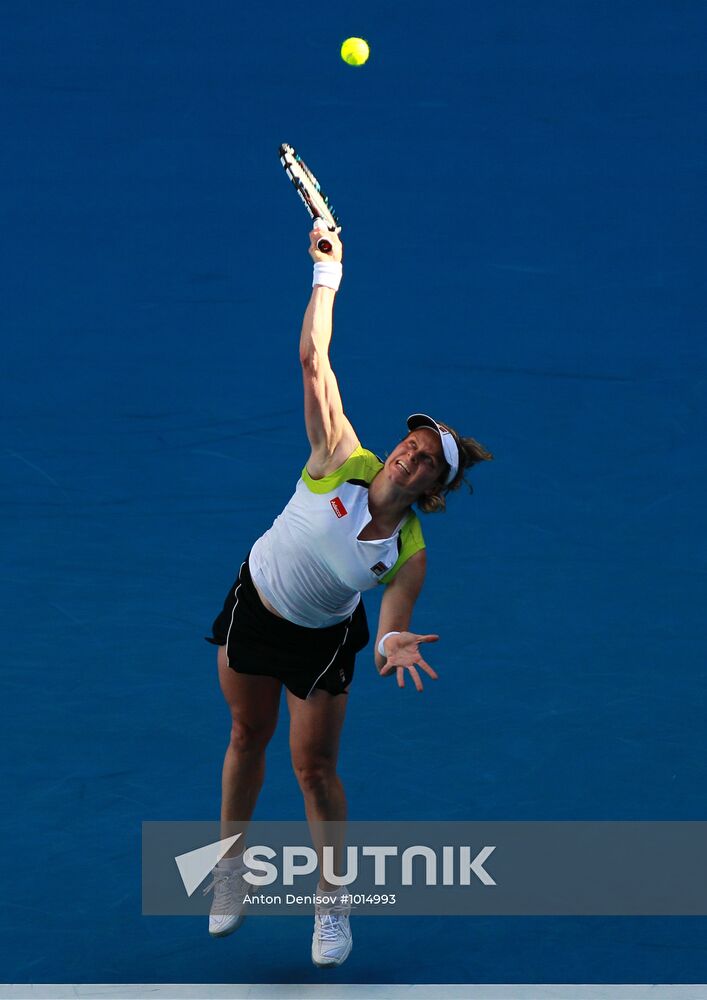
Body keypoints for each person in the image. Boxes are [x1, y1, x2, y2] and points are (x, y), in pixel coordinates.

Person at [203, 224, 493, 968]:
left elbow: (394, 614)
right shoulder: (341, 453)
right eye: (410, 440)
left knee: (314, 770)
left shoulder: (408, 551)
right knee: (245, 738)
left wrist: (394, 639)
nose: (408, 451)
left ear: (432, 487)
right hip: (254, 604)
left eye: (424, 458)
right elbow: (313, 361)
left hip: (322, 641)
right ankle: (230, 872)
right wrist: (325, 275)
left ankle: (331, 909)